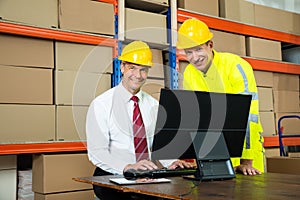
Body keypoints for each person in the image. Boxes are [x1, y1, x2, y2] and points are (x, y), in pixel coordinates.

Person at [86, 41, 194, 199]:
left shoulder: (153, 105)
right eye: (132, 68)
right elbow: (97, 152)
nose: (138, 75)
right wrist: (128, 167)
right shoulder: (101, 105)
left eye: (143, 70)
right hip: (113, 174)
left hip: (146, 175)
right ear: (122, 67)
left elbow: (158, 144)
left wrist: (171, 162)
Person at [177, 18, 264, 176]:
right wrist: (191, 156)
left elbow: (250, 115)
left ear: (210, 45)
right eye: (189, 52)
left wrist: (246, 161)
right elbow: (195, 117)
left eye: (198, 49)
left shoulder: (236, 66)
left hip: (246, 153)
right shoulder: (190, 72)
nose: (194, 57)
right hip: (212, 152)